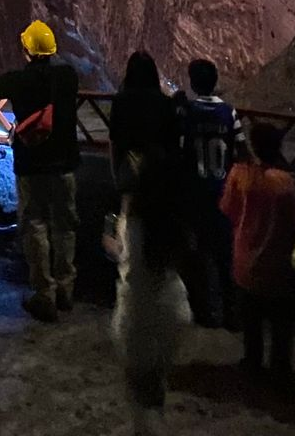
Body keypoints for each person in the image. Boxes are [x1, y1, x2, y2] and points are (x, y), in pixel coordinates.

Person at [0, 18, 80, 323]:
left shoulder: (19, 80)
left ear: (27, 49)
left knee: (35, 225)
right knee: (65, 225)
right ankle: (66, 288)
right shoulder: (67, 76)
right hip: (65, 162)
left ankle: (44, 293)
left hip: (32, 164)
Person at [107, 149, 192, 434]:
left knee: (140, 400)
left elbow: (128, 261)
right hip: (175, 308)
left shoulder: (134, 223)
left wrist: (112, 244)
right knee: (156, 388)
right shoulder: (173, 219)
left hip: (139, 315)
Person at [221, 120, 295, 379]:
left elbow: (228, 210)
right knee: (281, 323)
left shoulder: (239, 174)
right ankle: (280, 368)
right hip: (277, 266)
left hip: (245, 263)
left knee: (251, 321)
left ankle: (252, 363)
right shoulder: (285, 182)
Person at [176, 57, 245, 326]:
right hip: (224, 194)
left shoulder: (188, 113)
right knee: (225, 254)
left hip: (195, 195)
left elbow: (180, 150)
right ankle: (231, 312)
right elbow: (240, 149)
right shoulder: (229, 113)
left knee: (197, 254)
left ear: (193, 83)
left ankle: (203, 311)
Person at [109, 51, 179, 193]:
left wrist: (116, 174)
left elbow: (114, 140)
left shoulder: (120, 101)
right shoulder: (165, 103)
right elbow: (172, 141)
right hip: (158, 170)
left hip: (129, 170)